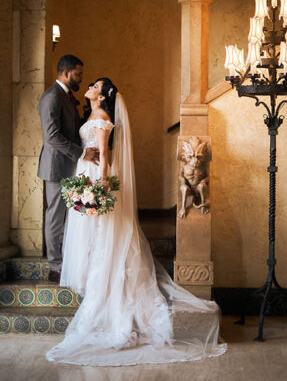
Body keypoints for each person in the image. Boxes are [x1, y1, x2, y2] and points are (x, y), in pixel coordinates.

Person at [47, 77, 227, 366]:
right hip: (86, 177)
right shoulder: (91, 115)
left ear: (103, 96)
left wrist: (100, 188)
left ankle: (106, 300)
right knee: (95, 238)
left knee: (104, 237)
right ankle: (97, 288)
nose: (90, 87)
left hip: (95, 180)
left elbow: (105, 157)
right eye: (90, 84)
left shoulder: (103, 118)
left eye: (95, 86)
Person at [37, 55, 99, 283]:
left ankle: (68, 260)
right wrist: (81, 153)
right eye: (78, 74)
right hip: (55, 166)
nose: (81, 78)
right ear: (65, 72)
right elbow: (52, 136)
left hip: (70, 165)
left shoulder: (67, 96)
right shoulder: (51, 97)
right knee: (55, 216)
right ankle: (55, 266)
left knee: (69, 217)